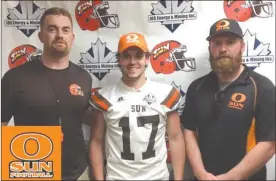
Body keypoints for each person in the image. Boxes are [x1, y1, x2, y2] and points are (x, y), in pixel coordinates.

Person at [1, 7, 92, 180]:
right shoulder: (15, 77)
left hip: (77, 173)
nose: (59, 35)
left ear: (72, 38)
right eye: (52, 29)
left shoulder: (83, 77)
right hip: (31, 173)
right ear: (41, 36)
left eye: (65, 30)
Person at [181, 18, 275, 180]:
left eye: (230, 42)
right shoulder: (196, 87)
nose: (223, 49)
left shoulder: (262, 88)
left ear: (242, 46)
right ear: (210, 48)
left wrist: (230, 177)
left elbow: (269, 144)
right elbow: (189, 132)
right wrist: (200, 173)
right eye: (217, 43)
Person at [89, 32, 186, 180]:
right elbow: (96, 141)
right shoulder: (105, 97)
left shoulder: (165, 94)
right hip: (118, 177)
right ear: (119, 60)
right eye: (126, 56)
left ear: (147, 59)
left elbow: (176, 138)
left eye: (138, 56)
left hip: (156, 177)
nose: (132, 61)